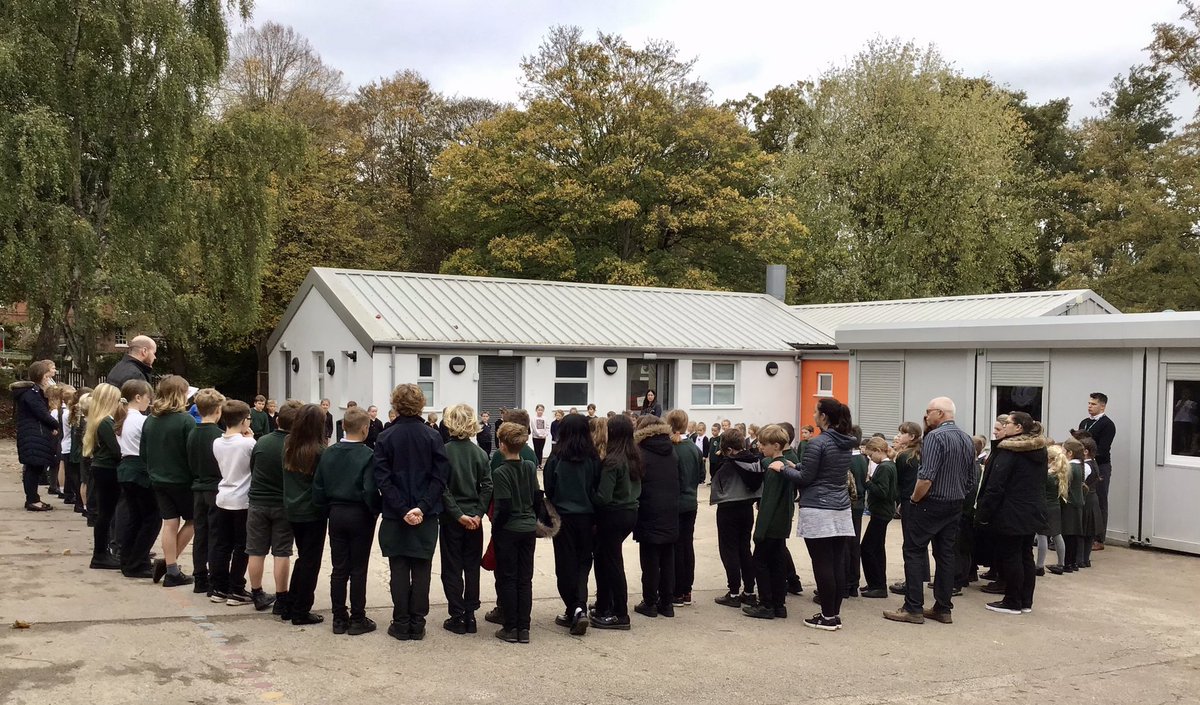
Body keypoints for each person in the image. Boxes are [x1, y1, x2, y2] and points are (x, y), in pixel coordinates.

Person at [884, 397, 976, 626]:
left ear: (940, 413)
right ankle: (943, 608)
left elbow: (926, 476)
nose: (926, 416)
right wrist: (958, 494)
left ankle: (913, 607)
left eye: (929, 412)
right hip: (954, 503)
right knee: (945, 555)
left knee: (914, 551)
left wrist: (914, 500)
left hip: (930, 502)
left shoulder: (935, 437)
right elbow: (972, 478)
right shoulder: (966, 438)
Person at [375, 384, 450, 642]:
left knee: (398, 566)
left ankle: (401, 621)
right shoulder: (432, 436)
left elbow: (383, 480)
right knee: (421, 568)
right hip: (425, 514)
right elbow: (440, 478)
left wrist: (404, 508)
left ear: (395, 404)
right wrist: (422, 506)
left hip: (397, 515)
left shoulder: (386, 437)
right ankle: (417, 623)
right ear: (421, 405)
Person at [779, 398, 857, 631]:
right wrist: (797, 467)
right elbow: (822, 471)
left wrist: (783, 469)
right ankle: (833, 613)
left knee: (822, 563)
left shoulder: (818, 442)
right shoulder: (846, 442)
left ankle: (827, 616)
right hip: (841, 507)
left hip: (818, 508)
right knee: (836, 562)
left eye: (815, 412)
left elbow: (806, 479)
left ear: (824, 417)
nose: (813, 415)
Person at [314, 406, 380, 636]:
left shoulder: (328, 453)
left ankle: (339, 618)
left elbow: (318, 487)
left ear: (343, 426)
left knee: (339, 567)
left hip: (336, 512)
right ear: (365, 428)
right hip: (359, 513)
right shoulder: (368, 455)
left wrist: (326, 509)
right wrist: (374, 511)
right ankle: (357, 618)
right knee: (358, 568)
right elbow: (370, 490)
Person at [975, 411, 1047, 616]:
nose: (1003, 426)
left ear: (1019, 428)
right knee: (1025, 555)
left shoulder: (1009, 451)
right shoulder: (1039, 450)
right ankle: (1025, 600)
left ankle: (1013, 600)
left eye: (1008, 423)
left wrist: (984, 513)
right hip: (1030, 512)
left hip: (1011, 513)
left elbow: (996, 486)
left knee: (1011, 556)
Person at [439, 404, 492, 636]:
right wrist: (478, 513)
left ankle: (457, 613)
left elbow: (442, 487)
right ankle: (470, 613)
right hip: (474, 519)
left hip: (453, 518)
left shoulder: (444, 452)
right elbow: (487, 485)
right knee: (471, 566)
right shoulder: (480, 453)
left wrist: (457, 513)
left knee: (451, 567)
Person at [544, 413, 598, 635]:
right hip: (588, 517)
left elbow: (549, 487)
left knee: (565, 565)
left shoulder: (556, 457)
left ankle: (574, 608)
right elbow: (596, 486)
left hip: (563, 518)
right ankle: (579, 606)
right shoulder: (593, 458)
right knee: (583, 563)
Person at [247, 400, 301, 615]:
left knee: (256, 550)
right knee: (282, 552)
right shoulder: (295, 446)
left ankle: (257, 592)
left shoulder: (261, 442)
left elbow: (253, 468)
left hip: (258, 502)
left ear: (277, 420)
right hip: (283, 503)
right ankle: (281, 596)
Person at [143, 375, 196, 587]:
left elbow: (143, 452)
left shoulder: (150, 420)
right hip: (182, 479)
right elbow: (191, 453)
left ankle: (171, 565)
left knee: (170, 522)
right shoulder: (186, 420)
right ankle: (169, 565)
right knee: (193, 521)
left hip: (158, 477)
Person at [588, 414, 641, 631]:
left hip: (612, 514)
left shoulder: (612, 460)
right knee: (604, 559)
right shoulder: (634, 456)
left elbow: (603, 497)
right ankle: (604, 604)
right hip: (630, 511)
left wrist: (588, 493)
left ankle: (620, 613)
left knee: (612, 563)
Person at [490, 421, 540, 644]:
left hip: (509, 528)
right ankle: (524, 626)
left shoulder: (501, 472)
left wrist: (496, 528)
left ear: (502, 445)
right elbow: (537, 497)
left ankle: (510, 626)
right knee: (525, 578)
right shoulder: (530, 466)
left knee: (508, 578)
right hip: (528, 526)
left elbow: (504, 506)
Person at [743, 424, 797, 620]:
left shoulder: (775, 472)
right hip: (782, 525)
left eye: (763, 444)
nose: (760, 447)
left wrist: (759, 532)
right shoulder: (786, 465)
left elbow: (768, 503)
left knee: (761, 564)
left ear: (775, 446)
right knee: (778, 564)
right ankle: (779, 604)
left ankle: (766, 603)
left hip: (770, 526)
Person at [282, 404, 329, 625]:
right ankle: (301, 609)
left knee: (303, 559)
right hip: (312, 512)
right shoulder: (319, 452)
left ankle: (291, 603)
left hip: (292, 509)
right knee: (311, 562)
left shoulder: (289, 445)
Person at [631, 415, 680, 619]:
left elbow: (636, 481)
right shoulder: (672, 451)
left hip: (649, 510)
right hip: (670, 509)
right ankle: (667, 603)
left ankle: (650, 602)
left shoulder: (640, 453)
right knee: (668, 559)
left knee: (650, 560)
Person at [210, 400, 257, 606]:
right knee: (242, 546)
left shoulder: (217, 442)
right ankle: (236, 588)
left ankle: (219, 588)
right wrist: (252, 438)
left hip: (223, 497)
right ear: (243, 420)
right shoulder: (248, 443)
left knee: (222, 544)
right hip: (242, 500)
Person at [710, 427, 762, 609]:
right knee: (744, 549)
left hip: (728, 509)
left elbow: (715, 480)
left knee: (729, 550)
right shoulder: (754, 461)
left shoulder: (727, 465)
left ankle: (733, 592)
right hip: (746, 509)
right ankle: (749, 591)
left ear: (729, 449)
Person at [115, 379, 158, 579]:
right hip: (139, 470)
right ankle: (137, 561)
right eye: (148, 398)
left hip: (126, 469)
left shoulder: (123, 418)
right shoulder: (141, 420)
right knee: (151, 518)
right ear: (138, 397)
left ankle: (128, 559)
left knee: (135, 517)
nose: (149, 403)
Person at [188, 388, 226, 596]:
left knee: (200, 533)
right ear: (218, 410)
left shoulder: (192, 433)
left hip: (198, 486)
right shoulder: (218, 436)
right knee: (216, 534)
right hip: (215, 487)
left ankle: (199, 576)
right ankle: (214, 578)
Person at [82, 383, 122, 569]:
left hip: (101, 468)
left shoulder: (98, 419)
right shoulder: (105, 421)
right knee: (106, 514)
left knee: (105, 513)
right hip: (107, 469)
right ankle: (100, 555)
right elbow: (115, 450)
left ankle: (102, 553)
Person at [11, 359, 60, 511]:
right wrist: (56, 424)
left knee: (35, 468)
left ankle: (34, 498)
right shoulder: (31, 394)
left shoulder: (34, 392)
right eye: (46, 376)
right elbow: (42, 413)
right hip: (33, 435)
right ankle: (32, 499)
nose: (48, 379)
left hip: (34, 433)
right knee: (33, 468)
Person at [668, 410, 705, 608]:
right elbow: (701, 475)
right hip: (692, 501)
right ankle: (687, 589)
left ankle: (676, 590)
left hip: (676, 502)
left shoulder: (673, 448)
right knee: (687, 545)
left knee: (675, 547)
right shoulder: (694, 448)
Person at [889, 422, 926, 595]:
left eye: (902, 433)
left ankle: (911, 582)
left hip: (907, 500)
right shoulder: (920, 453)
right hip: (921, 500)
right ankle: (921, 577)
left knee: (909, 544)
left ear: (911, 436)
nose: (898, 436)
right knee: (919, 542)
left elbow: (899, 481)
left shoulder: (904, 456)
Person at [860, 437, 898, 598]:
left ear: (878, 451)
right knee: (877, 548)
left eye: (870, 455)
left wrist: (868, 482)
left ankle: (877, 585)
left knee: (867, 548)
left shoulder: (884, 468)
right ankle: (876, 583)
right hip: (884, 512)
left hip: (881, 512)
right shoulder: (890, 466)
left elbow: (882, 491)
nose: (870, 458)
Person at [1077, 393, 1115, 549]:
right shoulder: (1084, 422)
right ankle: (1083, 534)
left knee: (1099, 500)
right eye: (1088, 403)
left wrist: (1088, 456)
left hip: (1100, 466)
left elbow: (1104, 449)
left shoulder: (1108, 424)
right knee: (1083, 498)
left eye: (1093, 404)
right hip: (1082, 463)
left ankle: (1099, 539)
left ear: (1102, 406)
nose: (1089, 406)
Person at [845, 427, 868, 599]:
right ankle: (853, 583)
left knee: (846, 546)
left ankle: (847, 582)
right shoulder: (862, 458)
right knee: (854, 545)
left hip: (850, 504)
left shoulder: (849, 459)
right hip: (859, 504)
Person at [1059, 438, 1087, 573]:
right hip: (1077, 503)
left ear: (1069, 453)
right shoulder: (1079, 466)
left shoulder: (1070, 467)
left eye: (1063, 450)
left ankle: (1067, 563)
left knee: (1068, 534)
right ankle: (1073, 562)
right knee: (1074, 534)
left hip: (1070, 504)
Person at [1040, 446, 1070, 575]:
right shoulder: (1061, 473)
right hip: (1055, 507)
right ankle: (1061, 563)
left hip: (1045, 506)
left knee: (1042, 535)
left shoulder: (1047, 475)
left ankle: (1039, 565)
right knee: (1057, 534)